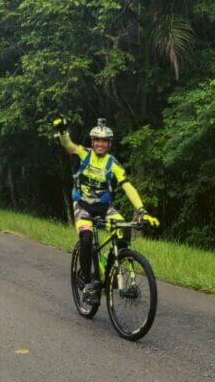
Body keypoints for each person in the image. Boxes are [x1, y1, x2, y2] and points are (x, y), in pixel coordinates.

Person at [53, 116, 159, 305]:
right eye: (97, 140)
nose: (100, 144)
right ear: (92, 142)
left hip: (104, 207)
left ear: (109, 144)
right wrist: (62, 131)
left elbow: (128, 186)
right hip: (83, 206)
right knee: (86, 238)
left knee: (124, 230)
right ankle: (88, 285)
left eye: (104, 141)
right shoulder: (84, 154)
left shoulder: (113, 163)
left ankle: (109, 270)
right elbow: (68, 145)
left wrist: (142, 210)